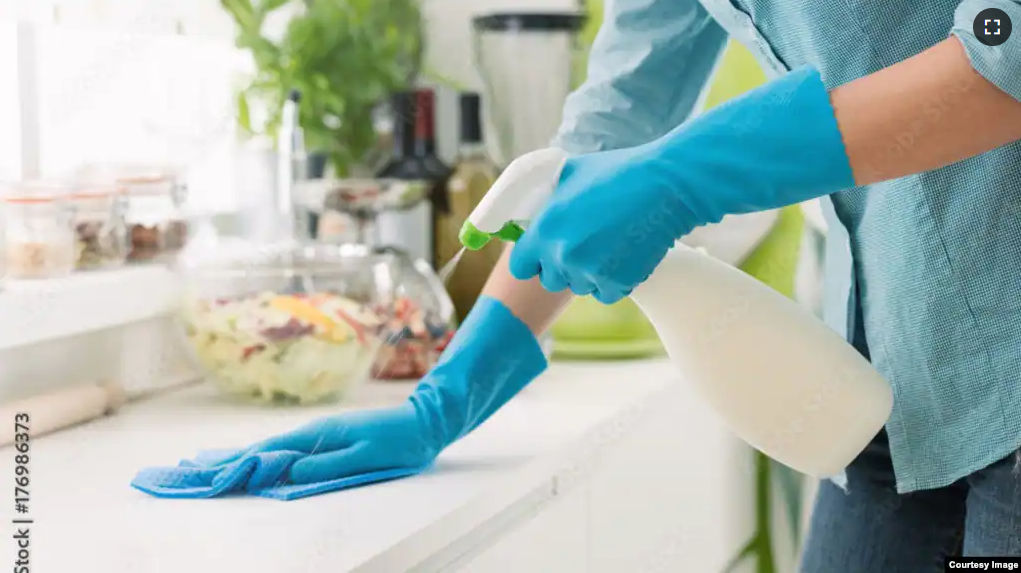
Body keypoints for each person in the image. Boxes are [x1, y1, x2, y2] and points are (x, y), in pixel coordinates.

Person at [204, 0, 1021, 568]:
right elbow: (621, 107)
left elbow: (1006, 44)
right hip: (895, 377)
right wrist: (446, 397)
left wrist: (687, 175)